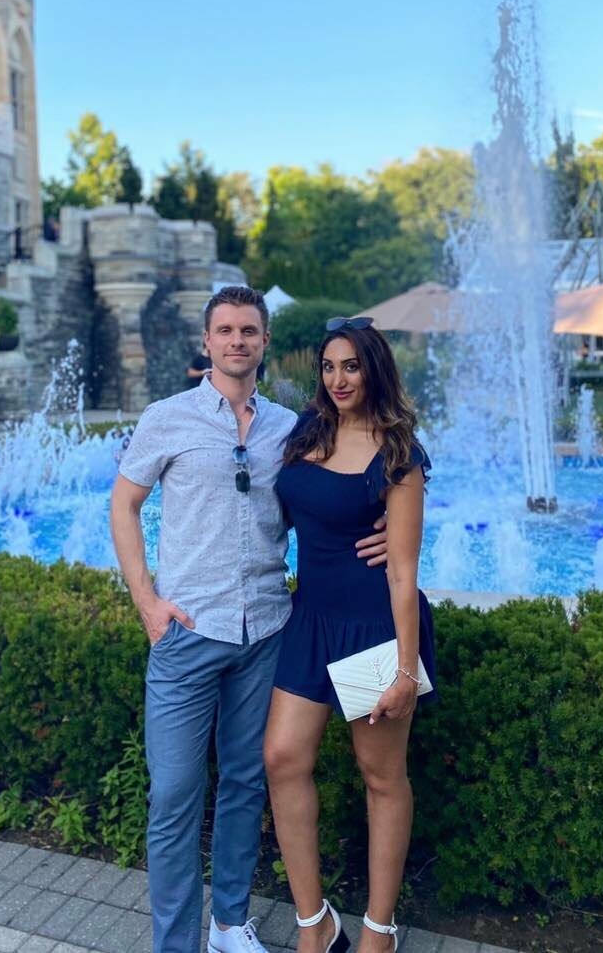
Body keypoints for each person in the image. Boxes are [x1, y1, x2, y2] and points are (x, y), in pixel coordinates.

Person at [110, 287, 390, 953]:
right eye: (225, 330)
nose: (237, 341)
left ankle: (229, 924)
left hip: (266, 630)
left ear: (264, 341)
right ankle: (175, 944)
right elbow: (124, 505)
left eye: (248, 331)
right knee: (174, 795)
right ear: (206, 341)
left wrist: (388, 527)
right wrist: (146, 599)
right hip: (187, 631)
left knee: (244, 782)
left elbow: (342, 484)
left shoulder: (292, 429)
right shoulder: (167, 418)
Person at [263, 318, 437, 953]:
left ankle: (379, 931)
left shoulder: (398, 453)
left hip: (372, 628)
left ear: (374, 371)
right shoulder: (308, 429)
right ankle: (316, 923)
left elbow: (404, 571)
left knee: (380, 775)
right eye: (329, 367)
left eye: (352, 367)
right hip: (309, 620)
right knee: (282, 758)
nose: (338, 379)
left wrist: (405, 671)